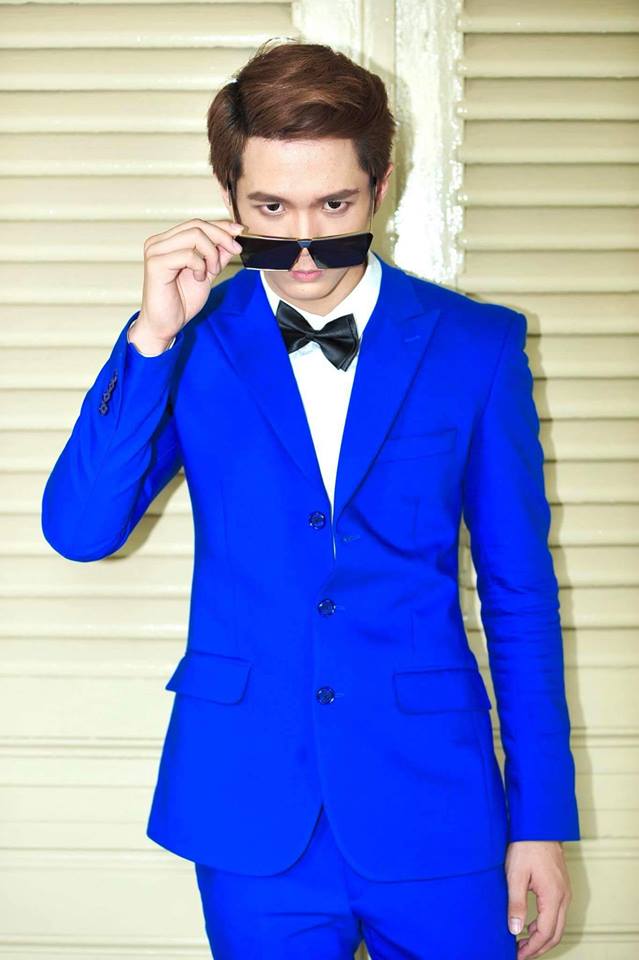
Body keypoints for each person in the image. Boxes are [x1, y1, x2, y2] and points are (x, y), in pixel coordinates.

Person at [41, 38, 580, 960]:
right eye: (270, 209)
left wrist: (540, 820)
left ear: (380, 187)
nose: (301, 246)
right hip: (249, 801)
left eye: (333, 205)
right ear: (229, 199)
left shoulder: (476, 345)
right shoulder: (189, 339)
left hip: (436, 805)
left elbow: (518, 593)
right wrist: (149, 338)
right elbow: (81, 530)